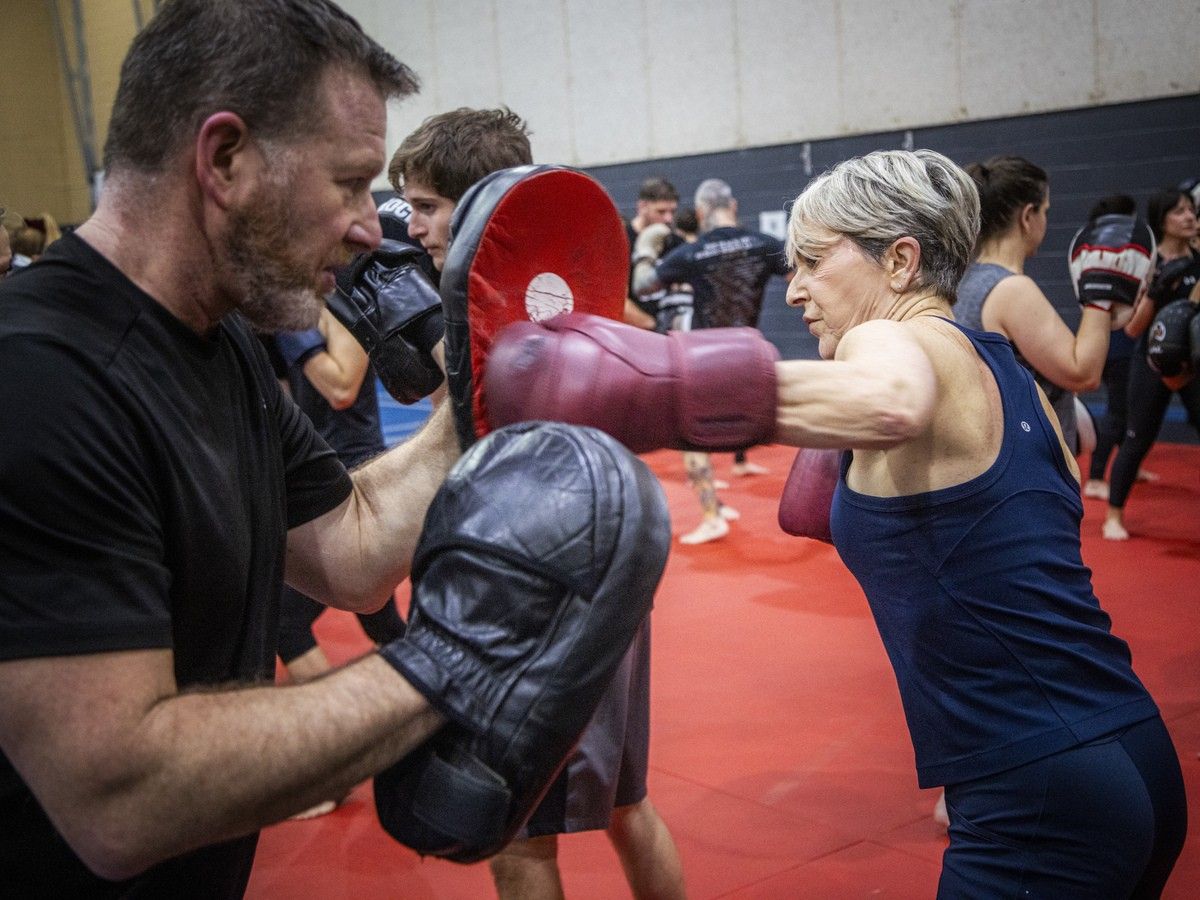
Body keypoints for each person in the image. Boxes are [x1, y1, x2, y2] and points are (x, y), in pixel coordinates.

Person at [0, 3, 647, 894]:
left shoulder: (215, 341)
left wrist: (483, 391)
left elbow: (351, 552)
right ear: (224, 160)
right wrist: (464, 658)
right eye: (348, 183)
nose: (369, 227)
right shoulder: (39, 378)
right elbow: (120, 796)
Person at [485, 149, 1187, 895]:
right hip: (1129, 744)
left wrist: (640, 391)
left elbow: (891, 399)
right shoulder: (1009, 370)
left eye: (813, 261)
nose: (793, 291)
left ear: (900, 261)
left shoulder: (891, 339)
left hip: (1035, 794)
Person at [392, 106, 685, 900]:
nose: (409, 225)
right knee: (628, 807)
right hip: (604, 562)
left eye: (424, 206)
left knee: (514, 835)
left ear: (481, 203)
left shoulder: (501, 332)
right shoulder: (562, 294)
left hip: (532, 588)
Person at [273, 309, 408, 818]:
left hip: (352, 479)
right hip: (314, 477)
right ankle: (456, 714)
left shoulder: (339, 312)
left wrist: (298, 340)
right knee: (383, 623)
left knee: (287, 620)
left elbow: (342, 388)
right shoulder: (288, 316)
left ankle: (331, 773)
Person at [633, 177, 791, 543]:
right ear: (733, 207)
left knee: (689, 437)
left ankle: (710, 516)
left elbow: (642, 285)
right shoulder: (762, 244)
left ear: (701, 211)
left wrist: (644, 247)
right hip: (748, 353)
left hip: (705, 359)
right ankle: (718, 509)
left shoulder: (693, 253)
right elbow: (803, 275)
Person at [957, 156, 1124, 456]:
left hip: (993, 453)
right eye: (1045, 211)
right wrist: (1100, 292)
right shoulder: (1011, 289)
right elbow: (1082, 373)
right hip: (1028, 463)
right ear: (1028, 216)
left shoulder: (964, 280)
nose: (1045, 220)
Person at [1102, 186, 1200, 539]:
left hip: (1193, 362)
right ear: (1163, 220)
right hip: (1153, 359)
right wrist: (1158, 290)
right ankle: (1113, 515)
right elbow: (1132, 329)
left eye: (1191, 210)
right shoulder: (1147, 263)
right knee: (1138, 436)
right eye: (1180, 211)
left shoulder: (1198, 257)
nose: (1189, 216)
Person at [1082, 194, 1161, 499]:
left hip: (1121, 341)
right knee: (1117, 413)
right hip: (1116, 343)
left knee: (1129, 413)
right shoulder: (1114, 256)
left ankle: (1126, 469)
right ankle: (1096, 477)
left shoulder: (1099, 253)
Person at [624, 177, 686, 329]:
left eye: (672, 211)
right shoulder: (622, 242)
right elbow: (617, 300)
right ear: (642, 207)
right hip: (637, 333)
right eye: (661, 211)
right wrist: (654, 326)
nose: (668, 218)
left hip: (672, 334)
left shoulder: (676, 242)